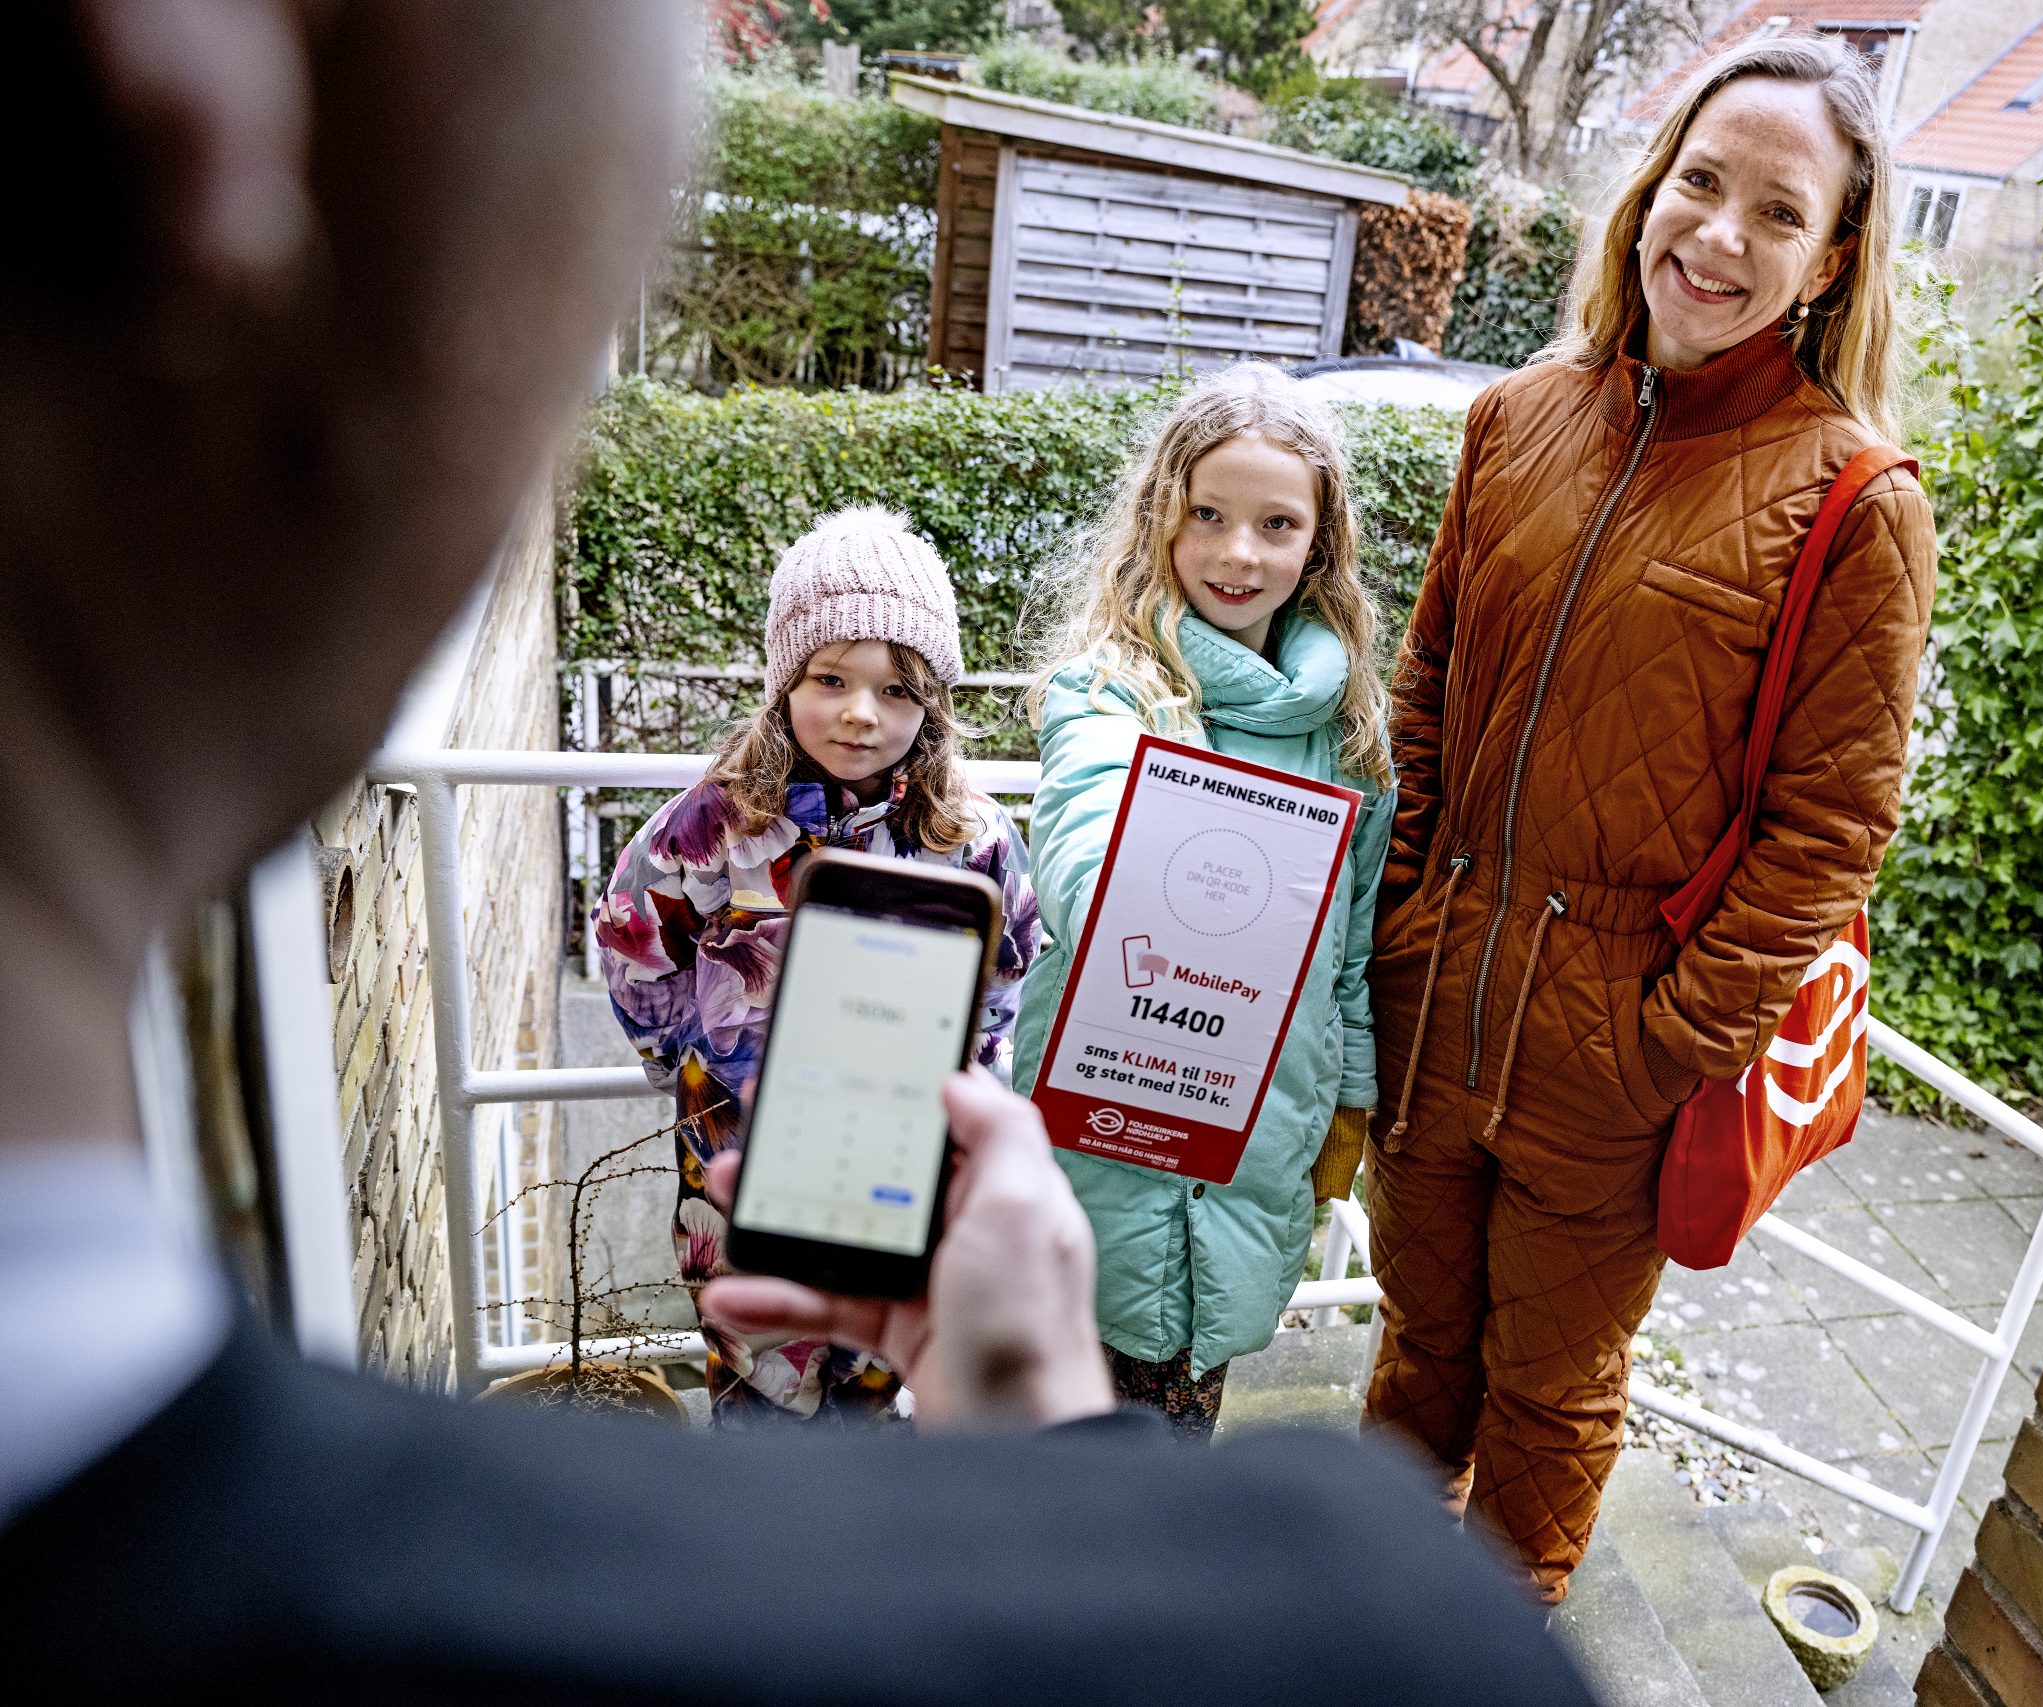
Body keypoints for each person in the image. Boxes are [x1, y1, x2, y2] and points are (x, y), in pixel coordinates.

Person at [0, 6, 1594, 1701]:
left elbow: (1031, 938)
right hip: (770, 1211)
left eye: (892, 684)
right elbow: (653, 926)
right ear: (187, 80)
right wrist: (1063, 1479)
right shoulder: (1360, 1641)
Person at [1359, 34, 1939, 1604]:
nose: (1720, 236)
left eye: (1776, 210)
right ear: (1645, 197)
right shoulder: (1516, 421)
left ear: (1829, 260)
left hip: (1611, 1060)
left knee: (1546, 1407)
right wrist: (1402, 913)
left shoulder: (1854, 499)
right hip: (1432, 1005)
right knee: (1414, 1353)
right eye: (1700, 182)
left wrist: (1663, 1037)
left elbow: (1830, 831)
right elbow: (1426, 683)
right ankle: (1354, 1633)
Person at [1012, 366, 1394, 1437]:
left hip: (1261, 1131)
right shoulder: (1116, 690)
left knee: (1181, 1418)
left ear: (1316, 544)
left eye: (1276, 524)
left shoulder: (1349, 733)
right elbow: (1082, 846)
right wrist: (1132, 888)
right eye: (1208, 516)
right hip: (1109, 1120)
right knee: (1066, 1434)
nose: (1239, 552)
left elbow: (1350, 952)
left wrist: (1350, 1104)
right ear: (1162, 522)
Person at [598, 506, 1042, 1424]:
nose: (859, 712)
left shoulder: (973, 833)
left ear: (932, 701)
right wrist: (687, 1056)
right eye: (829, 677)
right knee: (755, 1374)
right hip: (739, 1148)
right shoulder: (716, 822)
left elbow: (1005, 972)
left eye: (894, 689)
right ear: (783, 680)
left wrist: (971, 1084)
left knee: (879, 1375)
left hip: (901, 1152)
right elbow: (634, 935)